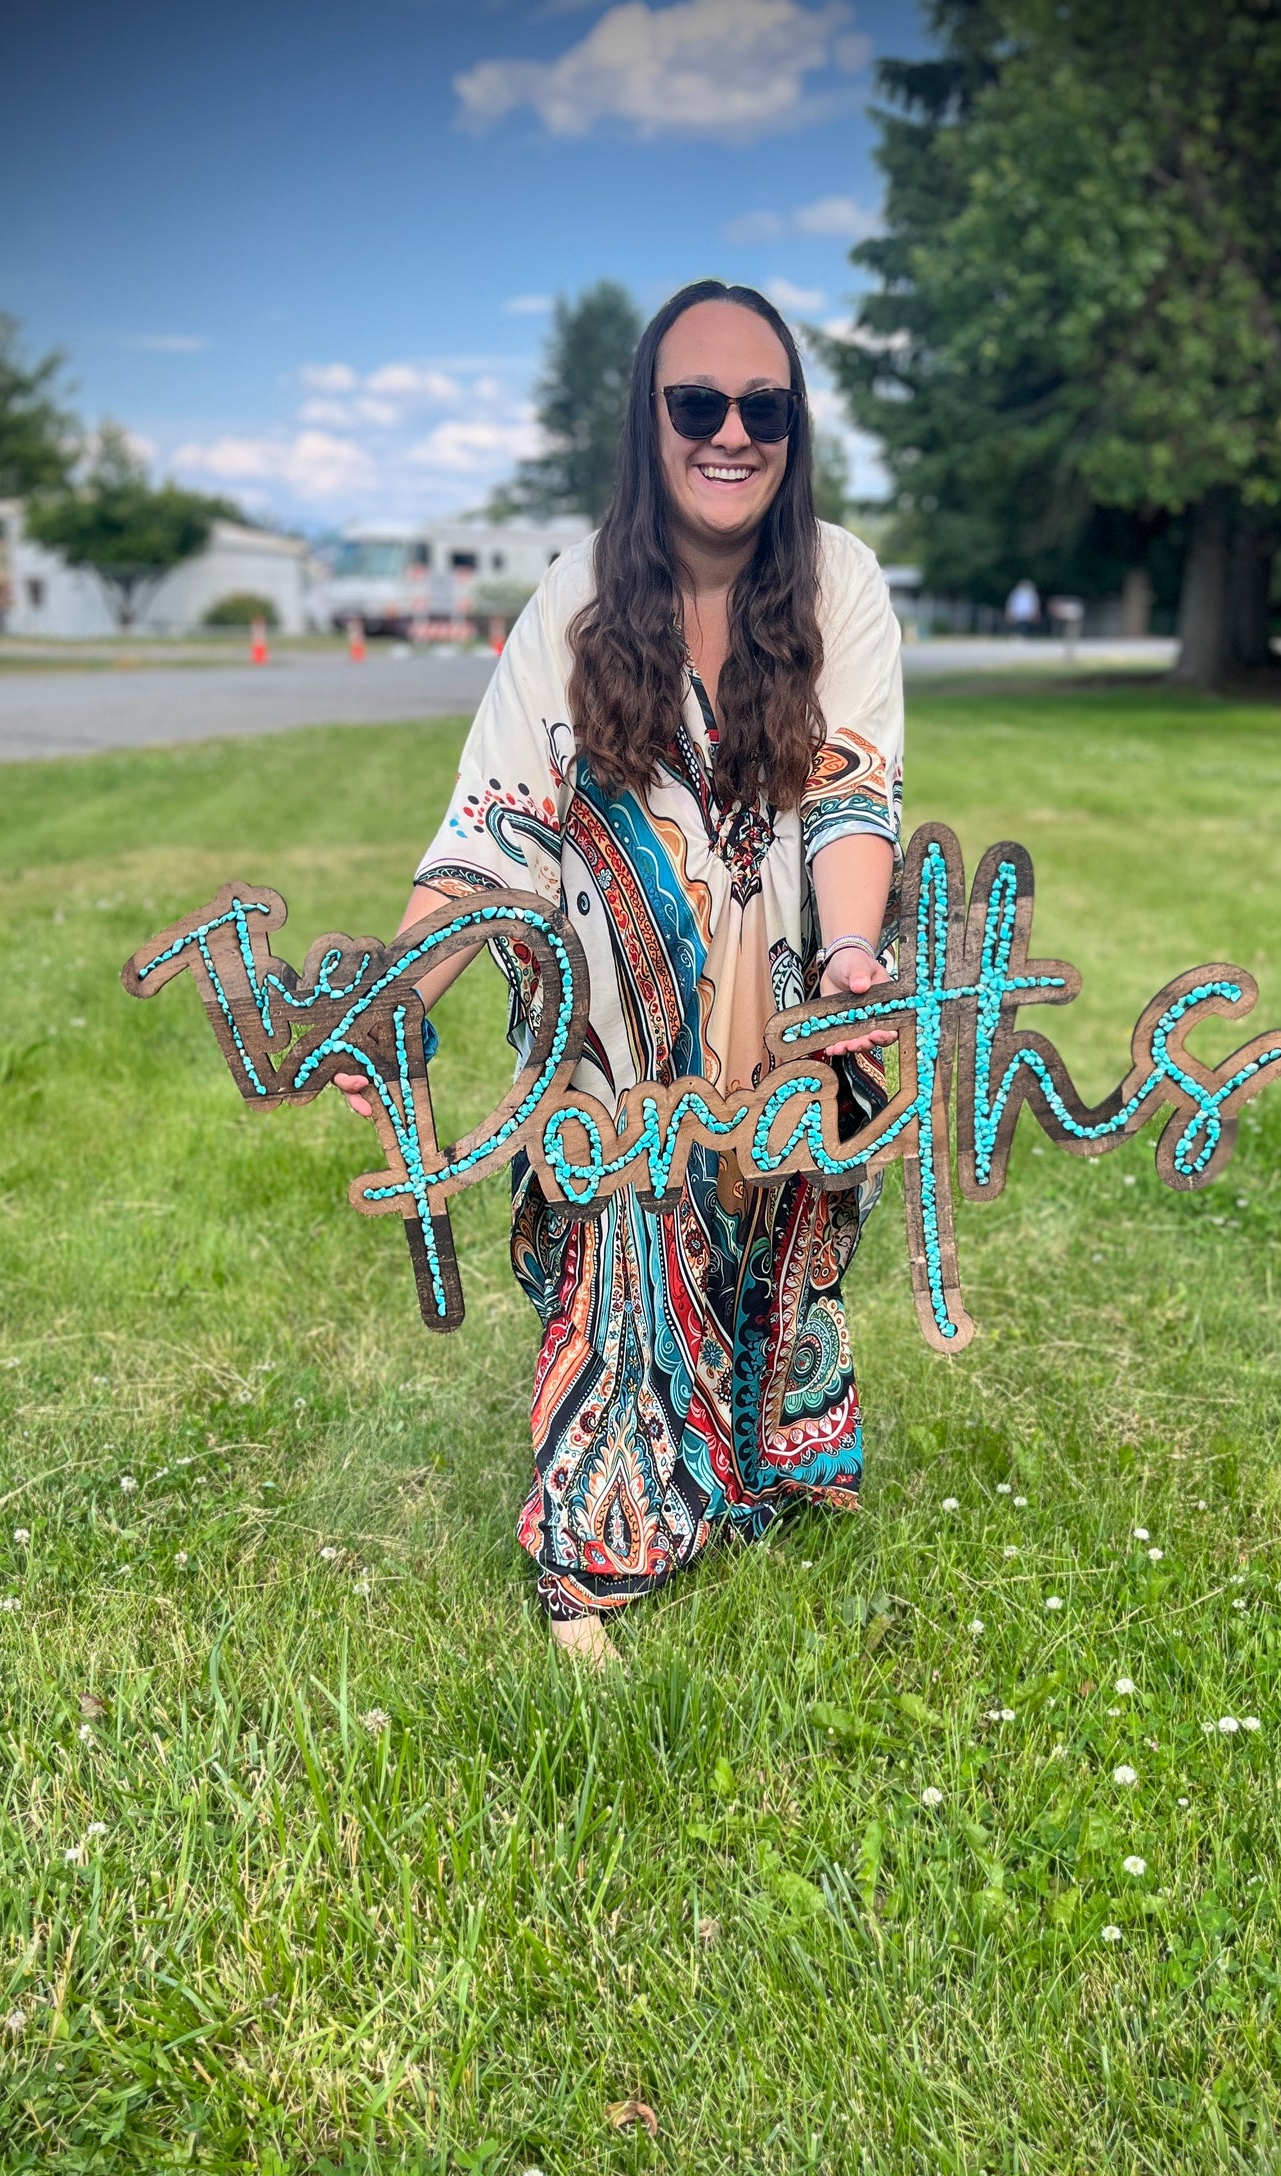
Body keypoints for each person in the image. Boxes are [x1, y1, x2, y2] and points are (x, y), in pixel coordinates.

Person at [334, 280, 903, 1663]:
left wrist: (846, 962)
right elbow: (494, 832)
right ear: (647, 421)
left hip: (785, 993)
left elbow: (850, 796)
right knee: (630, 1244)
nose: (729, 433)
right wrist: (386, 1013)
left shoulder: (839, 580)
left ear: (792, 427)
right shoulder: (578, 599)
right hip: (619, 1022)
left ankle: (765, 1461)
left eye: (761, 408)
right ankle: (597, 1543)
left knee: (780, 1237)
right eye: (695, 404)